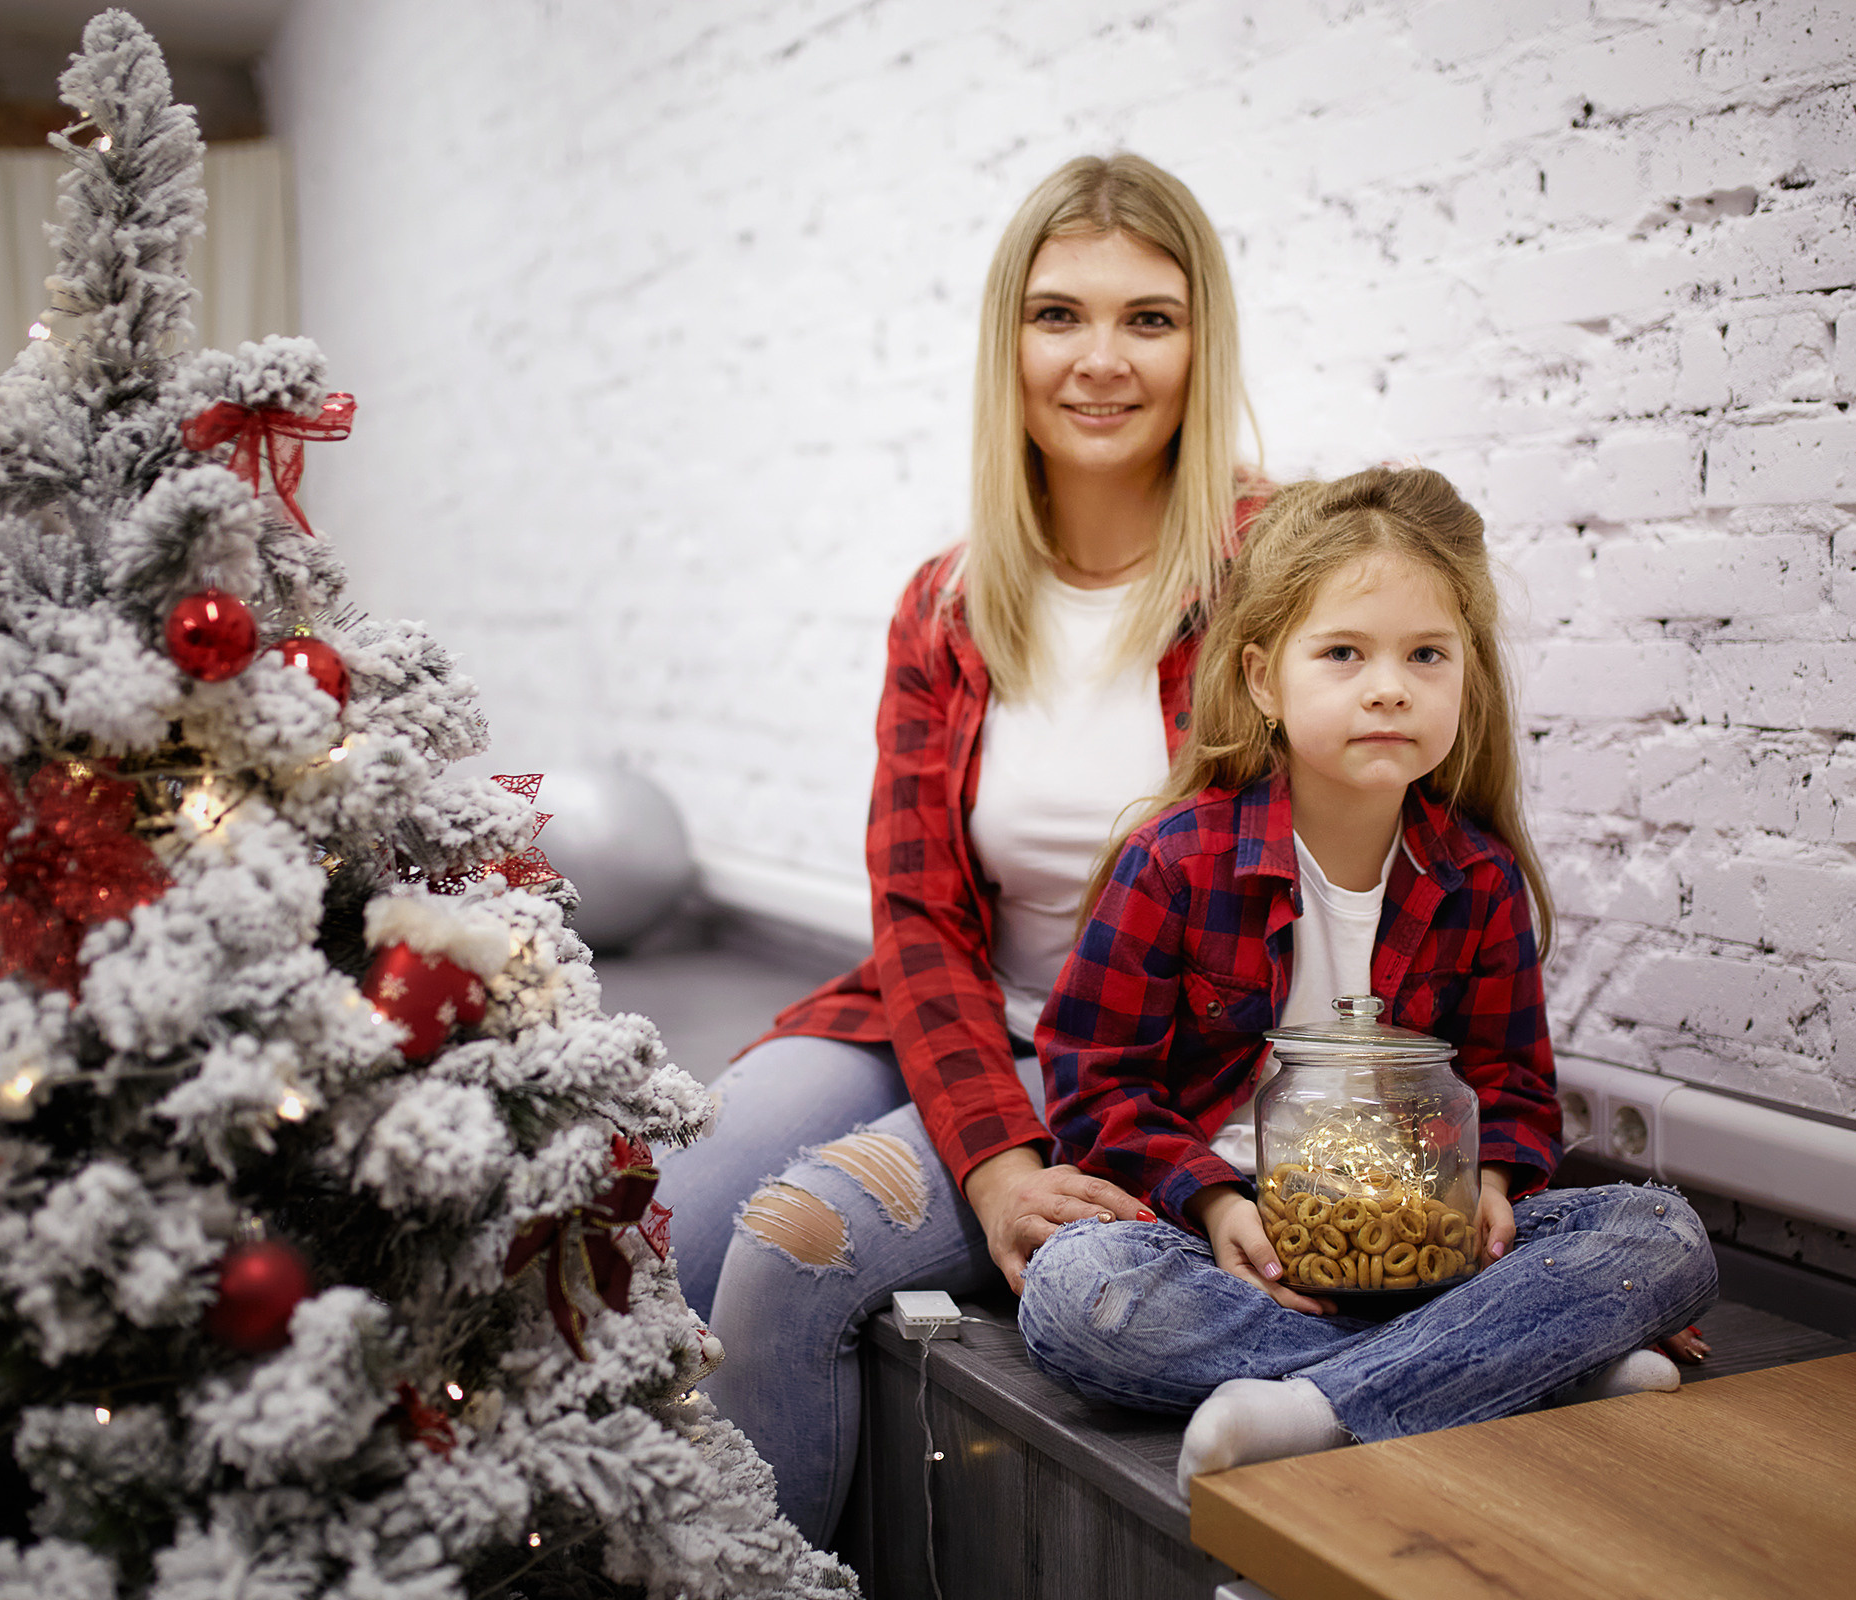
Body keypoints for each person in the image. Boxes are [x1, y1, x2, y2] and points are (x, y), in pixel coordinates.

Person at [656, 152, 1264, 1544]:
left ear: (1199, 341)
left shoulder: (1268, 574)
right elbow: (918, 915)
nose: (1100, 360)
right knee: (669, 1206)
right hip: (938, 1015)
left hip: (1140, 1054)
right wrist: (989, 1153)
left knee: (788, 1248)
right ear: (1009, 342)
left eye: (1148, 318)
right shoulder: (947, 600)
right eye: (1058, 316)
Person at [1014, 466, 1720, 1496]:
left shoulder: (1475, 876)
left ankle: (1317, 1407)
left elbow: (1514, 1083)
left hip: (1420, 1238)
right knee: (1078, 1294)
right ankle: (1510, 1363)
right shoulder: (1174, 860)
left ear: (1465, 677)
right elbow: (1091, 1086)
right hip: (1226, 1243)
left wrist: (1485, 1185)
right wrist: (1212, 1205)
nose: (1388, 685)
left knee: (1661, 1233)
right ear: (1263, 678)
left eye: (1425, 654)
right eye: (1343, 653)